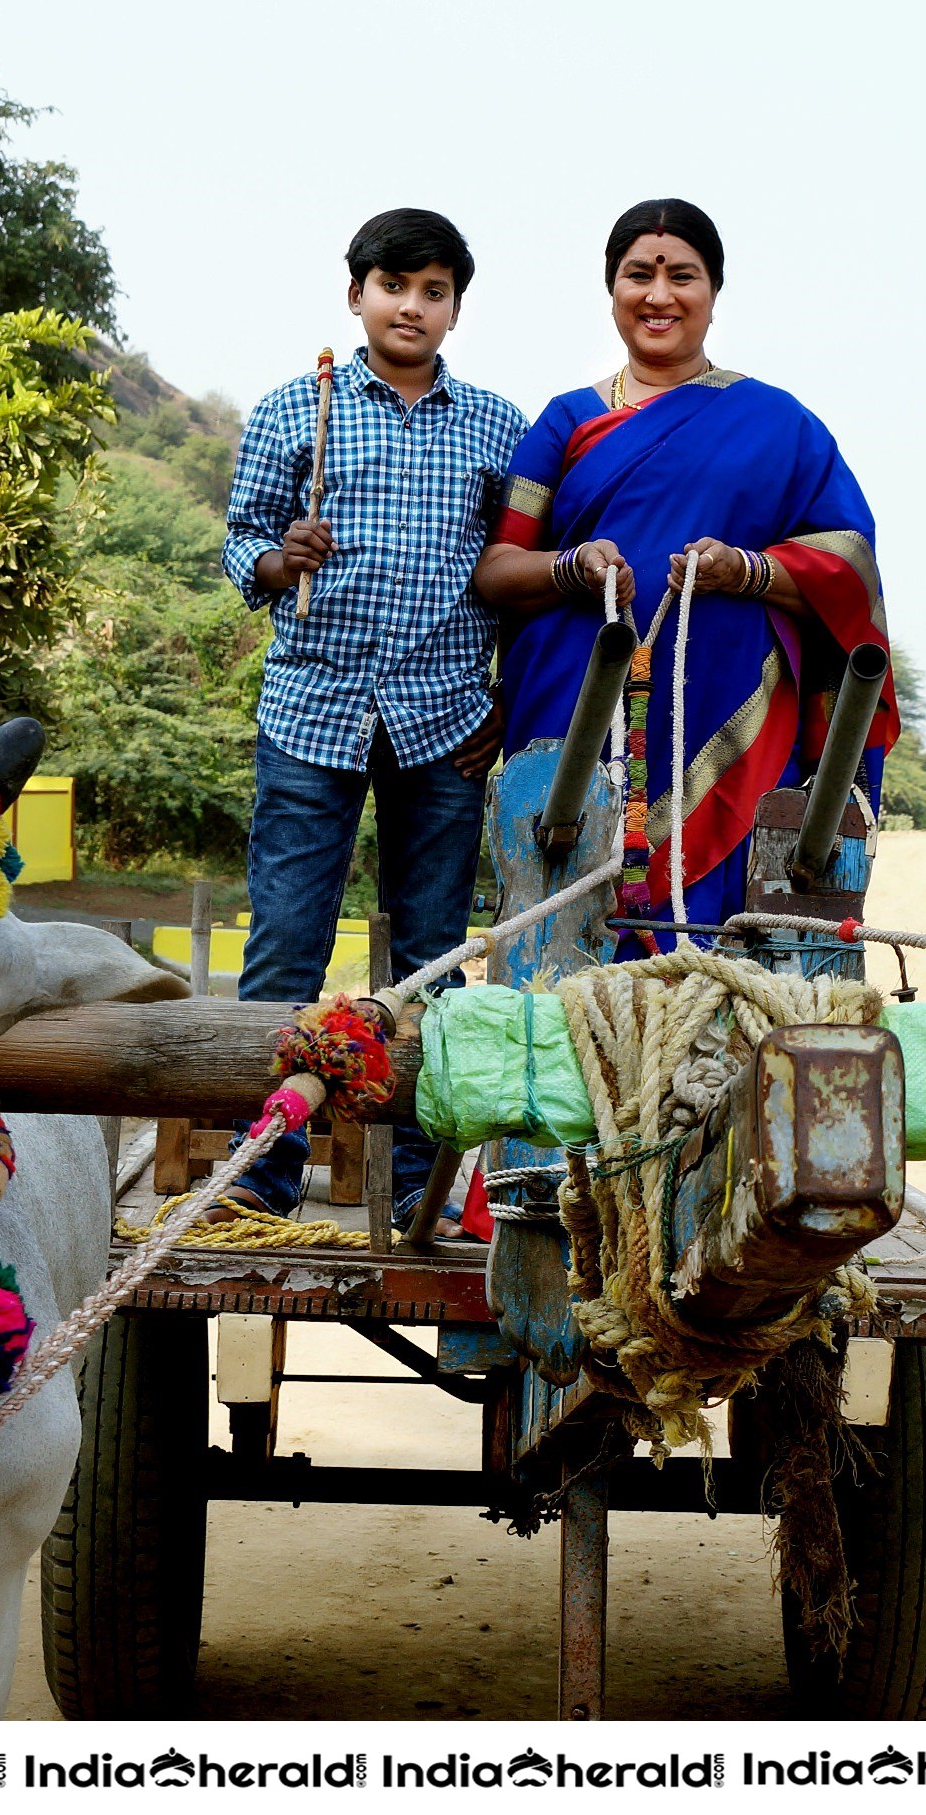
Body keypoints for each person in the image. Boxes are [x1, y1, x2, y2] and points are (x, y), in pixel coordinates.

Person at [473, 198, 895, 940]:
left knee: (711, 954)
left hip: (726, 722)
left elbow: (848, 571)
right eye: (640, 274)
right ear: (613, 290)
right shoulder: (566, 421)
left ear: (712, 293)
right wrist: (572, 566)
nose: (659, 295)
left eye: (683, 276)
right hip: (573, 719)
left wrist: (748, 571)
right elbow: (499, 570)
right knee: (566, 929)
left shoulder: (779, 424)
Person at [222, 208, 525, 1237]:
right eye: (393, 284)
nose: (412, 304)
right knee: (285, 950)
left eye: (434, 290)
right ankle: (262, 1175)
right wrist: (277, 560)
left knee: (430, 954)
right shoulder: (289, 409)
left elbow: (517, 575)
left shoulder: (496, 426)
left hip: (445, 719)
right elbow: (241, 545)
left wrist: (506, 699)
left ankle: (414, 1185)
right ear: (356, 295)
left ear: (453, 309)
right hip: (311, 710)